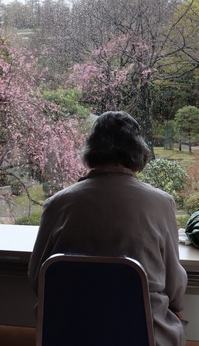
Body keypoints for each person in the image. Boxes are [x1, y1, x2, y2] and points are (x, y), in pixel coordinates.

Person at [28, 111, 187, 346]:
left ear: (91, 149)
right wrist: (178, 309)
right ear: (138, 150)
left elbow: (37, 278)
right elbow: (173, 284)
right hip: (142, 333)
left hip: (69, 332)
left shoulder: (58, 203)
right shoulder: (160, 203)